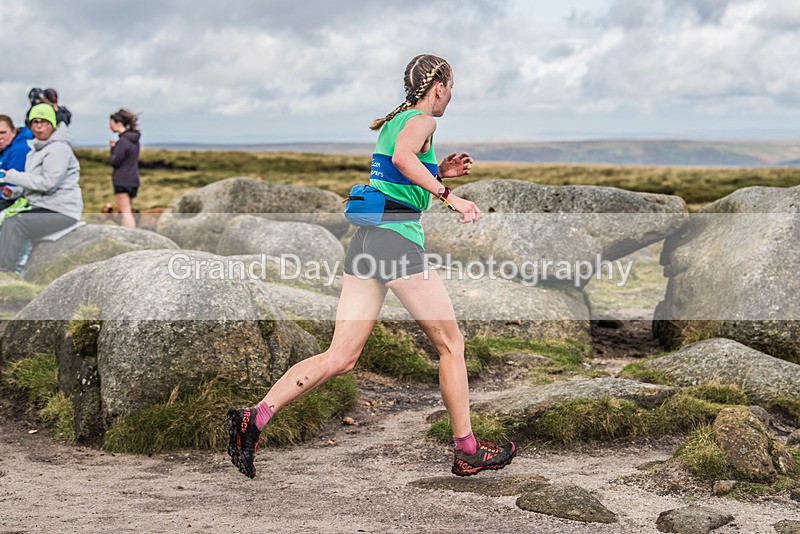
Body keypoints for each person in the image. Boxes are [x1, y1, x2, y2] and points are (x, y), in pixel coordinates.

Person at [226, 54, 516, 479]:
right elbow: (402, 159)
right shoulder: (422, 121)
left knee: (341, 355)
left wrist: (438, 167)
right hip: (395, 241)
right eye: (450, 89)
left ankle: (256, 417)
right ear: (439, 87)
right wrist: (449, 193)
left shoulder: (397, 119)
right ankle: (468, 450)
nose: (451, 97)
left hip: (366, 240)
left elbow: (394, 171)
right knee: (452, 345)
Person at [0, 104, 83, 272]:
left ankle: (5, 273)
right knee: (9, 220)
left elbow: (48, 184)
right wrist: (13, 192)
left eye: (44, 122)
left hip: (61, 211)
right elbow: (34, 184)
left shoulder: (58, 149)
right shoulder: (36, 148)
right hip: (43, 207)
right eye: (35, 122)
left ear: (52, 124)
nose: (38, 126)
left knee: (15, 223)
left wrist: (12, 176)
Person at [108, 109, 141, 228]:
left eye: (111, 123)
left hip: (122, 179)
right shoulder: (134, 140)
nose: (109, 126)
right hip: (133, 179)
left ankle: (129, 236)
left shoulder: (122, 141)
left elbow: (115, 161)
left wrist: (113, 149)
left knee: (126, 213)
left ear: (118, 123)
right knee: (129, 211)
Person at [0, 115, 33, 211]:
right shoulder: (5, 148)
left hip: (15, 197)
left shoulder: (20, 150)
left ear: (14, 131)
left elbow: (13, 181)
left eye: (3, 132)